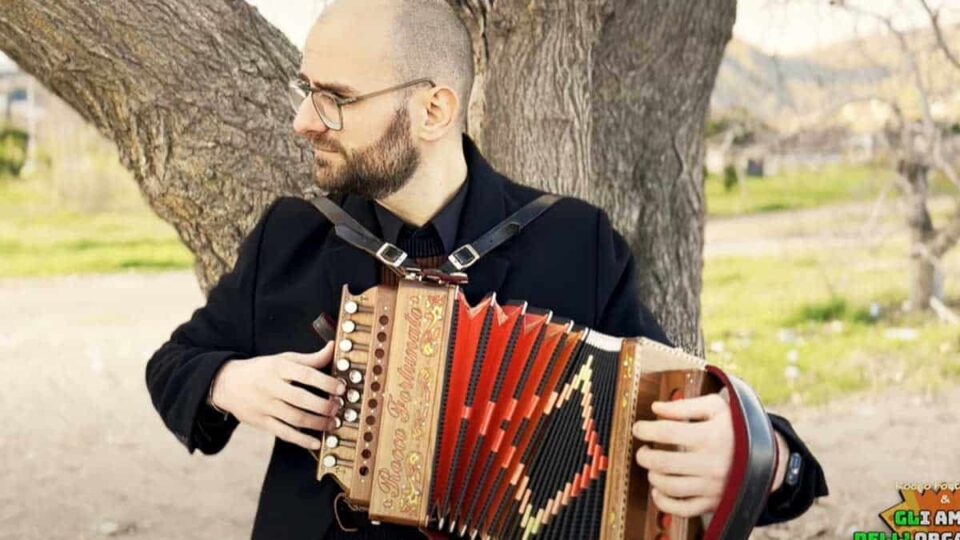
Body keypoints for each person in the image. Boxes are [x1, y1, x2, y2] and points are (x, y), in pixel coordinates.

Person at [145, 0, 828, 538]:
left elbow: (678, 405)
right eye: (306, 89)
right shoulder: (293, 237)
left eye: (335, 98)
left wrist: (761, 462)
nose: (302, 120)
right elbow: (175, 363)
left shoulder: (572, 242)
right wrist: (229, 382)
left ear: (434, 109)